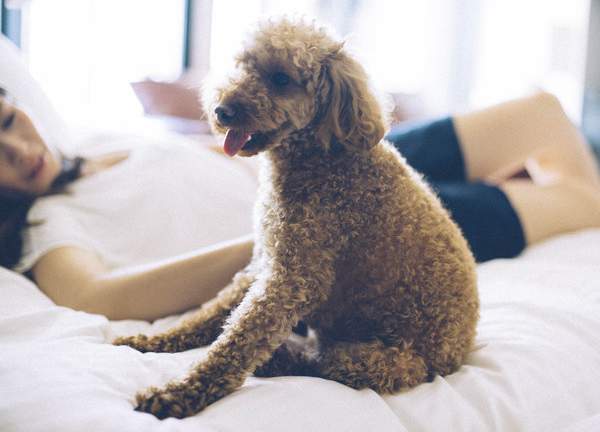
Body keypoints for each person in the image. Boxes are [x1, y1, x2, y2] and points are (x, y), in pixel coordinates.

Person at [1, 88, 599, 321]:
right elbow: (96, 298)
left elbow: (218, 150)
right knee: (566, 201)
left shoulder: (99, 140)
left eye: (7, 120)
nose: (16, 148)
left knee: (541, 114)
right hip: (341, 225)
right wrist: (282, 246)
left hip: (317, 164)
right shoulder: (46, 223)